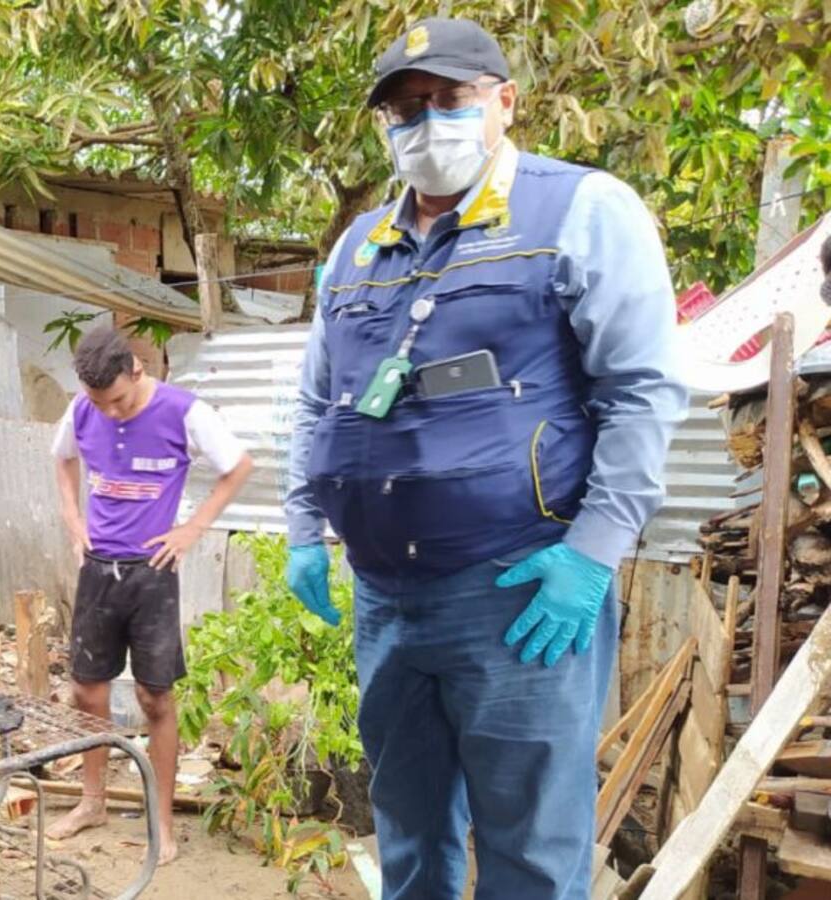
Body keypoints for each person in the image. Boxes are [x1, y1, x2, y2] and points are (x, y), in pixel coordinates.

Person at [284, 18, 688, 900]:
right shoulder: (357, 248)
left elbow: (643, 391)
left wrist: (592, 554)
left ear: (505, 100)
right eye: (403, 109)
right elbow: (319, 400)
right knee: (409, 836)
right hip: (386, 599)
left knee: (531, 855)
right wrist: (303, 527)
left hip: (518, 594)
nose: (424, 123)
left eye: (449, 98)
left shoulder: (583, 210)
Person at [48, 327, 253, 865]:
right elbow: (63, 461)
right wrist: (72, 519)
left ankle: (161, 822)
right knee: (86, 690)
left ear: (136, 370)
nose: (110, 412)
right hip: (98, 569)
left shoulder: (185, 412)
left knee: (155, 697)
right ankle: (92, 801)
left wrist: (192, 529)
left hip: (153, 573)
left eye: (117, 400)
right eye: (99, 402)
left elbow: (238, 467)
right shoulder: (82, 409)